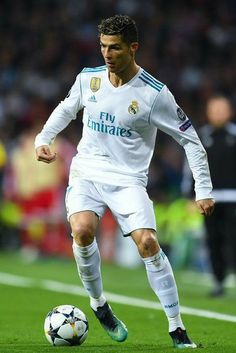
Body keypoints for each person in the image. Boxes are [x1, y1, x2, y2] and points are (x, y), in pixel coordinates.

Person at [35, 15, 214, 349]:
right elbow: (65, 108)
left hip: (129, 180)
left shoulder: (154, 94)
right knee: (82, 230)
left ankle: (177, 329)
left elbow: (191, 141)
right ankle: (99, 305)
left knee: (147, 242)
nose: (107, 54)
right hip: (87, 171)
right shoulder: (88, 80)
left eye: (114, 47)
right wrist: (43, 139)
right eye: (103, 46)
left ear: (133, 48)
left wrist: (202, 189)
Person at [183, 95, 236, 297]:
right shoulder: (200, 137)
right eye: (214, 110)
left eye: (222, 109)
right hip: (209, 199)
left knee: (233, 240)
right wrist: (190, 195)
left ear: (229, 112)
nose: (218, 113)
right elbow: (191, 168)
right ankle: (219, 282)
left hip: (233, 197)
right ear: (208, 112)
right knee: (213, 241)